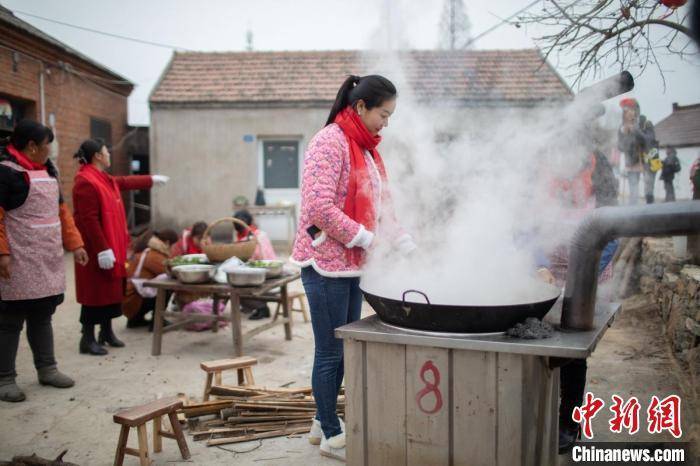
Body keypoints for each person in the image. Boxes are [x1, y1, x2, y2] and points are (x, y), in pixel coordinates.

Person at [290, 74, 415, 461]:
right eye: (384, 113)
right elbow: (318, 207)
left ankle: (319, 420)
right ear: (361, 106)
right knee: (330, 352)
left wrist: (404, 241)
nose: (387, 123)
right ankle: (330, 431)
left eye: (391, 115)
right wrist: (365, 238)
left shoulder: (367, 149)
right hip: (325, 263)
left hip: (351, 264)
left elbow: (383, 206)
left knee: (344, 349)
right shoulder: (329, 141)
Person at [0, 120, 88, 402]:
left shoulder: (48, 169)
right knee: (10, 320)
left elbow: (63, 212)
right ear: (32, 146)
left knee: (42, 314)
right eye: (48, 144)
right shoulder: (6, 173)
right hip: (18, 259)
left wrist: (76, 244)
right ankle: (5, 379)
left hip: (46, 258)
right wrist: (2, 253)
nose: (51, 150)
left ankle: (47, 369)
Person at [72, 138, 169, 355]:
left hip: (113, 247)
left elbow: (124, 182)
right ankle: (87, 338)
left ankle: (106, 332)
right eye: (107, 151)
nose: (109, 154)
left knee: (111, 291)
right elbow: (88, 220)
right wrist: (102, 248)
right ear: (98, 155)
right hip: (97, 250)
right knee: (94, 293)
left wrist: (150, 180)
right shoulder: (85, 181)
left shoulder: (103, 178)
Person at [123, 229, 178, 328]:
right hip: (133, 302)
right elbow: (171, 273)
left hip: (127, 301)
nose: (175, 249)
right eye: (174, 246)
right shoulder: (154, 256)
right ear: (167, 243)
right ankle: (157, 322)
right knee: (168, 287)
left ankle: (135, 320)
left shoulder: (147, 252)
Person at [233, 209, 277, 320]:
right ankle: (250, 305)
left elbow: (261, 258)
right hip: (261, 270)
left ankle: (261, 308)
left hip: (267, 273)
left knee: (241, 285)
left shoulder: (258, 236)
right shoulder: (242, 236)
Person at [617, 98, 655, 204]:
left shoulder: (645, 123)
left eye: (630, 110)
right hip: (632, 163)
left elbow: (649, 140)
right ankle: (632, 217)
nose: (628, 113)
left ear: (636, 111)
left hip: (648, 162)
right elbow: (620, 147)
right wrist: (625, 135)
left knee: (649, 192)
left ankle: (651, 215)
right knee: (633, 193)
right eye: (625, 111)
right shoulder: (622, 127)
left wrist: (635, 131)